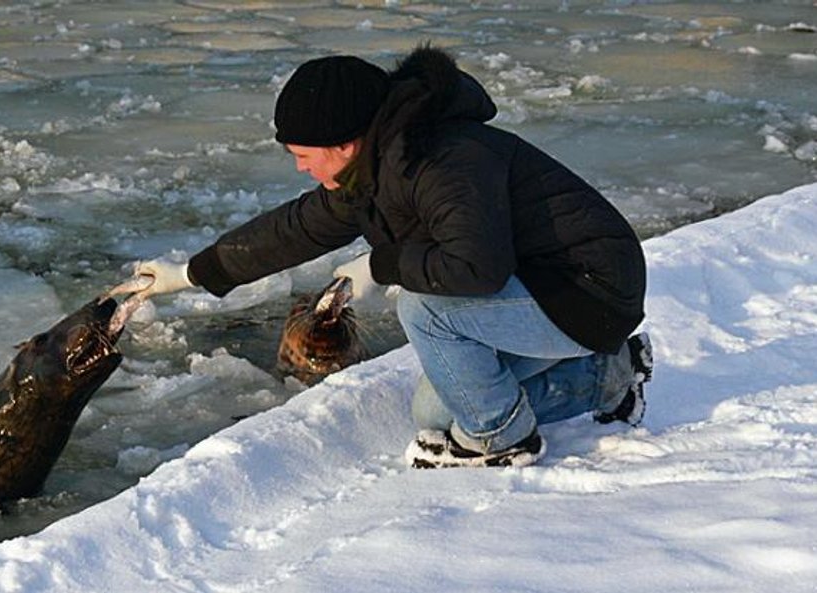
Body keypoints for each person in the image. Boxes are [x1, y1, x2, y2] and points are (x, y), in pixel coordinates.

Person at [117, 45, 652, 469]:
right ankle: (609, 377)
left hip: (588, 290)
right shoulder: (379, 165)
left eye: (303, 156)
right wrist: (189, 274)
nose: (300, 168)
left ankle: (502, 442)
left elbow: (477, 270)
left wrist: (381, 266)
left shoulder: (444, 160)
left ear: (343, 142)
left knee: (426, 310)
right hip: (539, 289)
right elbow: (294, 229)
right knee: (435, 411)